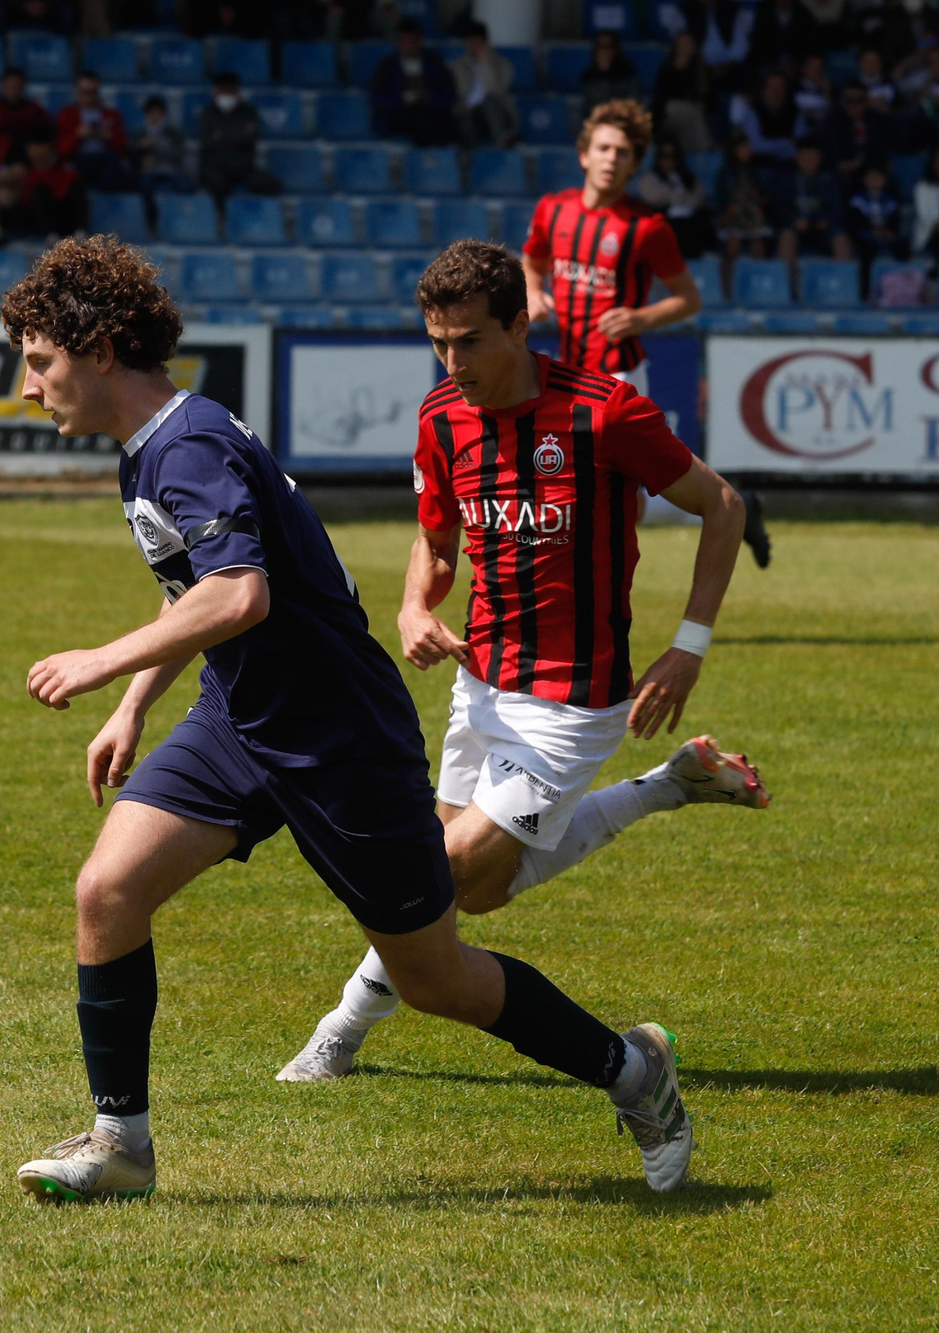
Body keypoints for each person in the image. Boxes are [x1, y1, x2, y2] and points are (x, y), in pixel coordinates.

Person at [2, 236, 699, 1202]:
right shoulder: (155, 445)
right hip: (240, 718)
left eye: (39, 361)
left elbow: (238, 594)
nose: (28, 388)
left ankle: (633, 1070)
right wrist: (132, 705)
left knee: (437, 979)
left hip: (340, 739)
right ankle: (122, 1142)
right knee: (106, 892)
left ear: (103, 348)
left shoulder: (188, 444)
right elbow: (196, 593)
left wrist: (98, 661)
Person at [276, 238, 761, 1101]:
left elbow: (721, 504)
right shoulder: (440, 418)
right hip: (482, 681)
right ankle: (670, 785)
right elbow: (436, 539)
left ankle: (338, 1030)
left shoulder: (606, 412)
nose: (452, 361)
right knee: (479, 892)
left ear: (520, 325)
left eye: (470, 340)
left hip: (574, 698)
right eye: (438, 341)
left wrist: (689, 643)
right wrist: (414, 608)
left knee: (438, 874)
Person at [522, 101, 701, 391]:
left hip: (620, 374)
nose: (611, 159)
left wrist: (641, 318)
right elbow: (532, 264)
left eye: (622, 153)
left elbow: (689, 299)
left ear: (634, 165)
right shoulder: (552, 210)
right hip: (565, 372)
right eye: (603, 148)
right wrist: (533, 294)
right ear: (584, 156)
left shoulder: (648, 227)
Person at [369, 18, 454, 145]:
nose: (409, 46)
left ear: (419, 41)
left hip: (431, 111)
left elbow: (450, 93)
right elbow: (377, 97)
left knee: (429, 115)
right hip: (398, 114)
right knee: (420, 115)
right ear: (398, 42)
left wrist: (429, 98)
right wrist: (402, 99)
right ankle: (429, 156)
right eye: (405, 42)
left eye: (412, 42)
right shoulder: (387, 66)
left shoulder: (434, 62)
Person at [197, 72, 280, 201]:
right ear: (215, 92)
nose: (227, 95)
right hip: (216, 166)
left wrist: (221, 135)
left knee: (271, 184)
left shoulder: (248, 111)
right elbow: (207, 142)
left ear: (237, 92)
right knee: (216, 185)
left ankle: (258, 217)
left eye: (230, 91)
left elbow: (250, 138)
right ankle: (221, 217)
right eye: (223, 90)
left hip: (243, 166)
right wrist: (237, 134)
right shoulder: (207, 113)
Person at [54, 70, 137, 192]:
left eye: (92, 92)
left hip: (104, 161)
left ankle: (111, 205)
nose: (88, 96)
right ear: (77, 91)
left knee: (114, 164)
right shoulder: (66, 115)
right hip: (78, 160)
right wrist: (78, 135)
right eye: (84, 92)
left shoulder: (112, 115)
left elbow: (123, 150)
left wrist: (108, 137)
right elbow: (61, 151)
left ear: (98, 91)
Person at [775, 136, 852, 263]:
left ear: (820, 159)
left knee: (841, 240)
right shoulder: (786, 180)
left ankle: (842, 281)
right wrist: (794, 220)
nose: (809, 161)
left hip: (824, 229)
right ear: (797, 158)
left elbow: (838, 209)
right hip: (797, 227)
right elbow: (779, 207)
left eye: (813, 158)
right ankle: (786, 281)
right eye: (805, 158)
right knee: (786, 237)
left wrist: (827, 221)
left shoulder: (829, 180)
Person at [634, 140, 715, 257]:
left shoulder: (687, 177)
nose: (668, 160)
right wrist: (681, 197)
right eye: (664, 156)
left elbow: (699, 196)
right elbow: (654, 198)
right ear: (658, 158)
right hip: (665, 219)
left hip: (690, 221)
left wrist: (682, 202)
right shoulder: (650, 177)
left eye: (673, 156)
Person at [449, 19, 519, 149]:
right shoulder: (458, 66)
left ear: (485, 42)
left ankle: (502, 141)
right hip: (471, 114)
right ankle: (472, 159)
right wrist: (469, 107)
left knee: (488, 100)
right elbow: (461, 92)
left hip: (498, 114)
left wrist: (485, 63)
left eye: (477, 42)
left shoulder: (503, 65)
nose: (474, 46)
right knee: (464, 121)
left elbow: (496, 91)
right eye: (471, 42)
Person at [716, 131, 783, 262]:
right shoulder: (724, 173)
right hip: (733, 218)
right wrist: (726, 215)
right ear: (734, 149)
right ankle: (729, 280)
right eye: (743, 147)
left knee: (758, 244)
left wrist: (760, 204)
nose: (748, 150)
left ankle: (757, 278)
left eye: (748, 146)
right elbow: (721, 200)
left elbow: (765, 196)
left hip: (755, 218)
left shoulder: (755, 171)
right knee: (733, 242)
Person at [650, 28, 713, 153]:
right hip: (668, 115)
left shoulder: (701, 71)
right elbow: (662, 99)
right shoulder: (666, 69)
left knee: (692, 115)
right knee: (686, 111)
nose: (685, 47)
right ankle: (705, 148)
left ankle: (693, 157)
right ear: (676, 46)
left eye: (689, 44)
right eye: (682, 44)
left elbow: (709, 99)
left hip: (692, 116)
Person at [821, 81, 894, 180]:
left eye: (859, 100)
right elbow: (830, 155)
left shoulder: (878, 121)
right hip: (841, 174)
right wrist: (845, 165)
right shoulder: (833, 123)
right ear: (843, 102)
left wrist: (862, 163)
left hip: (871, 173)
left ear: (866, 101)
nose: (855, 104)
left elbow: (882, 153)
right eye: (849, 100)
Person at [15, 139, 86, 237]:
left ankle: (81, 230)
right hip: (38, 223)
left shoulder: (65, 171)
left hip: (66, 218)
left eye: (42, 148)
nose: (39, 153)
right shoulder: (25, 174)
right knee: (40, 191)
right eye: (34, 149)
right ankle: (49, 235)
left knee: (76, 187)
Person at [0, 67, 54, 166]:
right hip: (0, 156)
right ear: (2, 85)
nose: (13, 89)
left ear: (23, 86)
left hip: (29, 157)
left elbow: (45, 129)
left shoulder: (34, 109)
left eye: (17, 85)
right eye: (10, 85)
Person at [131, 95, 192, 195]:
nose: (155, 117)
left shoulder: (174, 133)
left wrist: (156, 148)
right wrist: (140, 153)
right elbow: (132, 156)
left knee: (185, 186)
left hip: (171, 170)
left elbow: (178, 154)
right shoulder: (139, 135)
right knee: (141, 185)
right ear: (146, 114)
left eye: (158, 113)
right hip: (148, 172)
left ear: (164, 115)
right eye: (151, 113)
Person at [581, 30, 641, 109]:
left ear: (615, 49)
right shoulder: (589, 76)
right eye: (601, 46)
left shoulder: (628, 73)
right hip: (598, 119)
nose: (604, 51)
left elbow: (633, 101)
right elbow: (596, 105)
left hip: (624, 118)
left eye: (608, 46)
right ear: (595, 50)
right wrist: (603, 71)